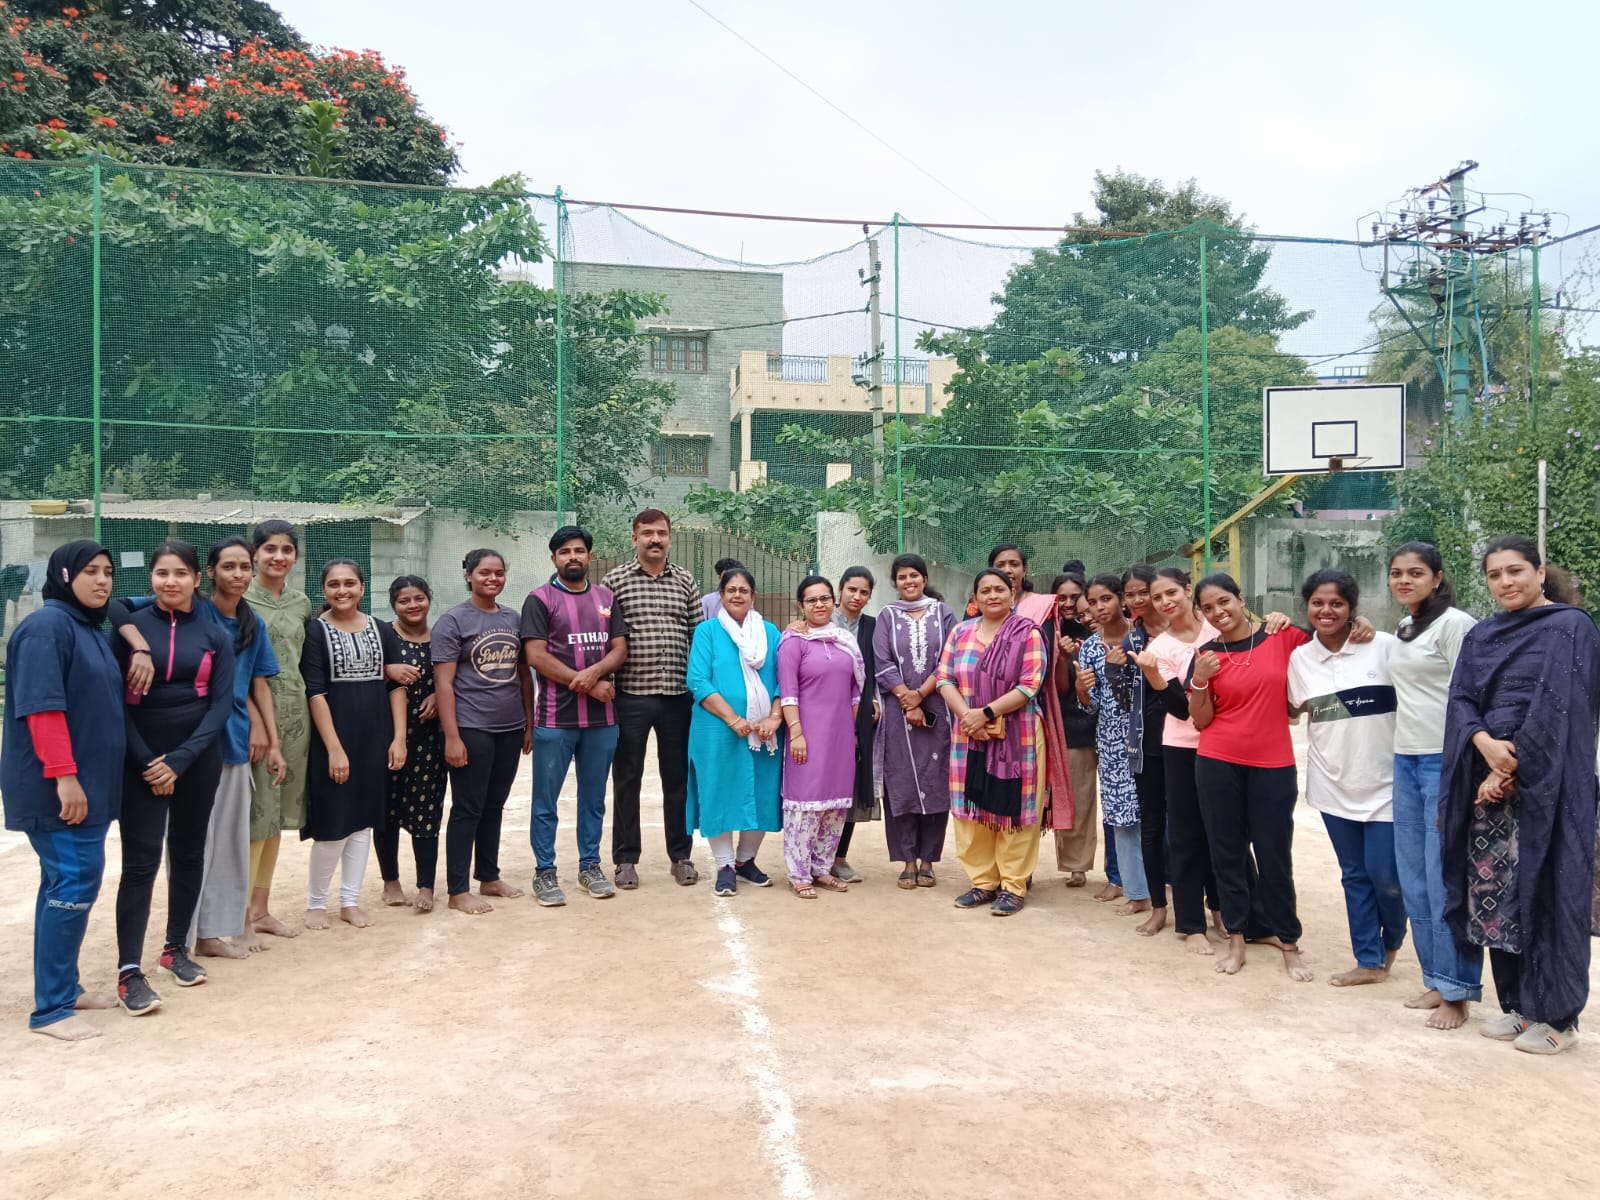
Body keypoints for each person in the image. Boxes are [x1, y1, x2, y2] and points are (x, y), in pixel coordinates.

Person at [1440, 536, 1600, 1054]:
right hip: (1489, 789)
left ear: (1539, 572)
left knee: (1549, 893)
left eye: (1516, 571)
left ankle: (1557, 1018)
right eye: (1495, 574)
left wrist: (1509, 768)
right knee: (1497, 896)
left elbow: (1561, 709)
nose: (1505, 582)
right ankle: (1518, 1006)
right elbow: (1461, 698)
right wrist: (1483, 744)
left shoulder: (1570, 627)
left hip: (1550, 791)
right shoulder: (1483, 634)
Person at [111, 537, 287, 961]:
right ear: (207, 573)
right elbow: (115, 607)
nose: (238, 574)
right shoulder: (188, 608)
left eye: (244, 566)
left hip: (228, 743)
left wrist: (268, 734)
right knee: (178, 849)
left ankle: (213, 932)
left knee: (225, 844)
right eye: (228, 566)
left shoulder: (248, 624)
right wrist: (139, 645)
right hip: (173, 749)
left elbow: (251, 685)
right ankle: (179, 940)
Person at [1, 542, 123, 1040]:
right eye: (91, 571)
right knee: (74, 881)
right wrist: (64, 776)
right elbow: (43, 708)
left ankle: (65, 987)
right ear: (65, 575)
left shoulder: (87, 626)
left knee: (63, 884)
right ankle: (51, 1010)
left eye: (108, 571)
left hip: (86, 784)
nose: (103, 580)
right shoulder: (46, 628)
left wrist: (137, 643)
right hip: (58, 787)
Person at [113, 540, 236, 1012]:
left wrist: (180, 761)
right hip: (140, 762)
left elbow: (220, 707)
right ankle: (129, 971)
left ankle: (174, 949)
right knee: (140, 864)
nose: (171, 581)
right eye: (162, 573)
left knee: (188, 855)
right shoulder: (129, 630)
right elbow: (118, 703)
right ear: (151, 578)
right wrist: (148, 761)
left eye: (181, 573)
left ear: (197, 579)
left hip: (196, 759)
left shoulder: (214, 635)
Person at [1187, 573, 1313, 982]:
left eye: (1224, 601)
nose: (1218, 612)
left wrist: (1358, 624)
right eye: (1208, 608)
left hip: (1273, 763)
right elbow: (1201, 720)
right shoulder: (1206, 654)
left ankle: (1288, 941)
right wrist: (1200, 679)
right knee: (1228, 853)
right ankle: (1237, 939)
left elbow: (1330, 642)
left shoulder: (1282, 636)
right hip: (1218, 761)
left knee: (1275, 855)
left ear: (1241, 599)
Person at [1287, 569, 1407, 988]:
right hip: (1333, 785)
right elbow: (1293, 709)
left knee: (1387, 878)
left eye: (1337, 603)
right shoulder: (1300, 659)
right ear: (1307, 606)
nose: (1326, 611)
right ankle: (1368, 960)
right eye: (1318, 603)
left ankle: (1392, 940)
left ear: (1352, 608)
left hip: (1387, 785)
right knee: (1354, 875)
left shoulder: (1384, 647)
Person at [1387, 541, 1482, 1029]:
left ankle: (1457, 992)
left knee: (1444, 877)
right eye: (1397, 573)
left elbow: (1474, 694)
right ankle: (1435, 978)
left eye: (1416, 573)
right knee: (1415, 879)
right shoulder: (1404, 627)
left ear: (1438, 577)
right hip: (1405, 758)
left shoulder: (1455, 625)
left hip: (1446, 761)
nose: (1404, 580)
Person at [522, 526, 630, 906]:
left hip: (602, 721)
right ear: (554, 558)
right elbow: (536, 656)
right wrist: (587, 683)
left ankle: (590, 866)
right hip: (555, 720)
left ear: (589, 557)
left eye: (579, 550)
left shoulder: (606, 598)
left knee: (594, 798)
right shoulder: (539, 599)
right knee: (545, 801)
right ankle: (545, 872)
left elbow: (619, 649)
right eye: (565, 551)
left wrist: (593, 675)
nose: (573, 557)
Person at [301, 560, 407, 930]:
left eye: (349, 583)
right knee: (333, 824)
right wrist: (333, 748)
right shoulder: (315, 630)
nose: (342, 590)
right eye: (334, 584)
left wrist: (398, 739)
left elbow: (396, 687)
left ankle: (350, 900)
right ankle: (316, 903)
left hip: (375, 739)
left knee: (363, 824)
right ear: (324, 590)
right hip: (334, 740)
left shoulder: (381, 629)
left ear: (362, 587)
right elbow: (315, 692)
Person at [937, 568, 1049, 915]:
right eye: (984, 590)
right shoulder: (961, 632)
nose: (992, 595)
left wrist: (985, 713)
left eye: (1000, 589)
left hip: (1018, 735)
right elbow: (944, 678)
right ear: (975, 598)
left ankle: (1013, 885)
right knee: (971, 806)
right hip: (968, 734)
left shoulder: (1027, 633)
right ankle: (983, 882)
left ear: (1013, 594)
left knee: (1015, 808)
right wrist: (967, 717)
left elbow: (1030, 684)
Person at [603, 509, 704, 888]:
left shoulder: (685, 580)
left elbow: (698, 637)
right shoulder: (614, 582)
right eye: (647, 533)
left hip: (678, 698)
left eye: (661, 533)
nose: (655, 539)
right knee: (626, 779)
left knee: (677, 779)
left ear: (669, 538)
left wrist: (699, 690)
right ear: (634, 539)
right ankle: (626, 859)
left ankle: (681, 856)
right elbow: (604, 637)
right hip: (630, 696)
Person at [433, 548, 534, 915]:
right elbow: (443, 684)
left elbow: (524, 676)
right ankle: (457, 890)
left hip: (510, 727)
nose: (492, 579)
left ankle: (489, 877)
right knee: (467, 807)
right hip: (472, 727)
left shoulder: (513, 618)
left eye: (498, 573)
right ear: (469, 575)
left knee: (494, 805)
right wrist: (452, 737)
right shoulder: (453, 621)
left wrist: (529, 722)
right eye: (484, 573)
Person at [1135, 568, 1225, 952]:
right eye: (1157, 598)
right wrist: (1154, 676)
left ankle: (1223, 910)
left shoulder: (1220, 630)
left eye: (1171, 592)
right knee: (1186, 835)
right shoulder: (1158, 649)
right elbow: (1179, 709)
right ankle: (1191, 925)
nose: (1165, 602)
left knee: (1224, 832)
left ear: (1188, 590)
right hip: (1181, 746)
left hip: (1225, 744)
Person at [686, 567, 783, 895]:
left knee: (763, 791)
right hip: (717, 728)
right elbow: (698, 680)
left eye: (744, 590)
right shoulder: (708, 631)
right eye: (731, 590)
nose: (737, 595)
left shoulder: (770, 633)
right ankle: (725, 865)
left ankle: (745, 860)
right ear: (721, 596)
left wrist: (774, 718)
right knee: (718, 790)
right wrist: (733, 719)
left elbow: (784, 680)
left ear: (753, 596)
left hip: (764, 732)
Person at [245, 519, 312, 941]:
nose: (278, 556)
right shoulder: (239, 600)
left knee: (277, 818)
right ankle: (236, 915)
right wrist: (255, 720)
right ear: (255, 553)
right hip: (254, 721)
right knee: (256, 817)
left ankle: (260, 909)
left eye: (287, 549)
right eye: (270, 548)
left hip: (296, 719)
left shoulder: (301, 602)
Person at [874, 553, 956, 888]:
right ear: (895, 582)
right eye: (902, 577)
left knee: (936, 781)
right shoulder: (887, 616)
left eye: (914, 575)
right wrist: (907, 700)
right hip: (897, 713)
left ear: (924, 578)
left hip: (938, 706)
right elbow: (881, 661)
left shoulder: (943, 613)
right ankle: (907, 860)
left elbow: (949, 659)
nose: (909, 581)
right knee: (901, 783)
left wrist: (920, 695)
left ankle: (928, 861)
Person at [779, 575, 864, 898]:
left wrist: (852, 732)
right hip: (806, 736)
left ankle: (822, 868)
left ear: (834, 601)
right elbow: (788, 692)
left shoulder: (845, 641)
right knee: (805, 806)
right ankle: (799, 873)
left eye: (825, 598)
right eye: (812, 600)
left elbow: (855, 692)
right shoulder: (793, 642)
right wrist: (797, 734)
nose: (819, 604)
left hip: (840, 736)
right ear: (801, 606)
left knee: (834, 806)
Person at [1077, 574, 1149, 916]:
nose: (1099, 608)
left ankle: (1166, 884)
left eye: (1105, 599)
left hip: (1151, 735)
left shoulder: (1145, 638)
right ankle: (1136, 892)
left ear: (1121, 599)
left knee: (1158, 813)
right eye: (1092, 602)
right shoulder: (1090, 648)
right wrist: (1082, 689)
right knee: (1122, 816)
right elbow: (1091, 706)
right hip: (1111, 741)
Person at [376, 575, 448, 914]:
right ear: (394, 605)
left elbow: (454, 677)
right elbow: (361, 676)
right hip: (387, 737)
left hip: (430, 740)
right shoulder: (383, 636)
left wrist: (439, 696)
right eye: (404, 600)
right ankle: (390, 881)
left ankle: (426, 886)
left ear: (428, 599)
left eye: (419, 598)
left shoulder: (442, 637)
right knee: (386, 810)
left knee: (426, 811)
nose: (413, 605)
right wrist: (387, 670)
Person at [1109, 563, 1173, 935]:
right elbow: (1124, 701)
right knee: (1151, 824)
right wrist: (1115, 671)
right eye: (1130, 594)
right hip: (1148, 742)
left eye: (1143, 592)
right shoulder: (1132, 642)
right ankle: (1157, 905)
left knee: (1189, 824)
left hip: (1191, 738)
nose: (1137, 600)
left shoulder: (1190, 633)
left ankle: (1202, 900)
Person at [1046, 572, 1099, 888]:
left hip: (1104, 726)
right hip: (1066, 725)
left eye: (1074, 596)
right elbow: (1060, 688)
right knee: (1070, 796)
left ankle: (1121, 870)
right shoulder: (1046, 630)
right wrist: (1062, 657)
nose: (1068, 603)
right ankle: (1075, 865)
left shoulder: (1099, 627)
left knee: (1095, 799)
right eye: (1061, 597)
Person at [831, 565, 881, 883]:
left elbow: (878, 668)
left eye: (864, 592)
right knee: (823, 782)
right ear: (840, 590)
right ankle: (814, 855)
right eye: (852, 589)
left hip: (858, 713)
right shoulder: (820, 622)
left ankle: (839, 857)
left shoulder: (873, 627)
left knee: (850, 783)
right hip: (823, 713)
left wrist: (874, 699)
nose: (857, 596)